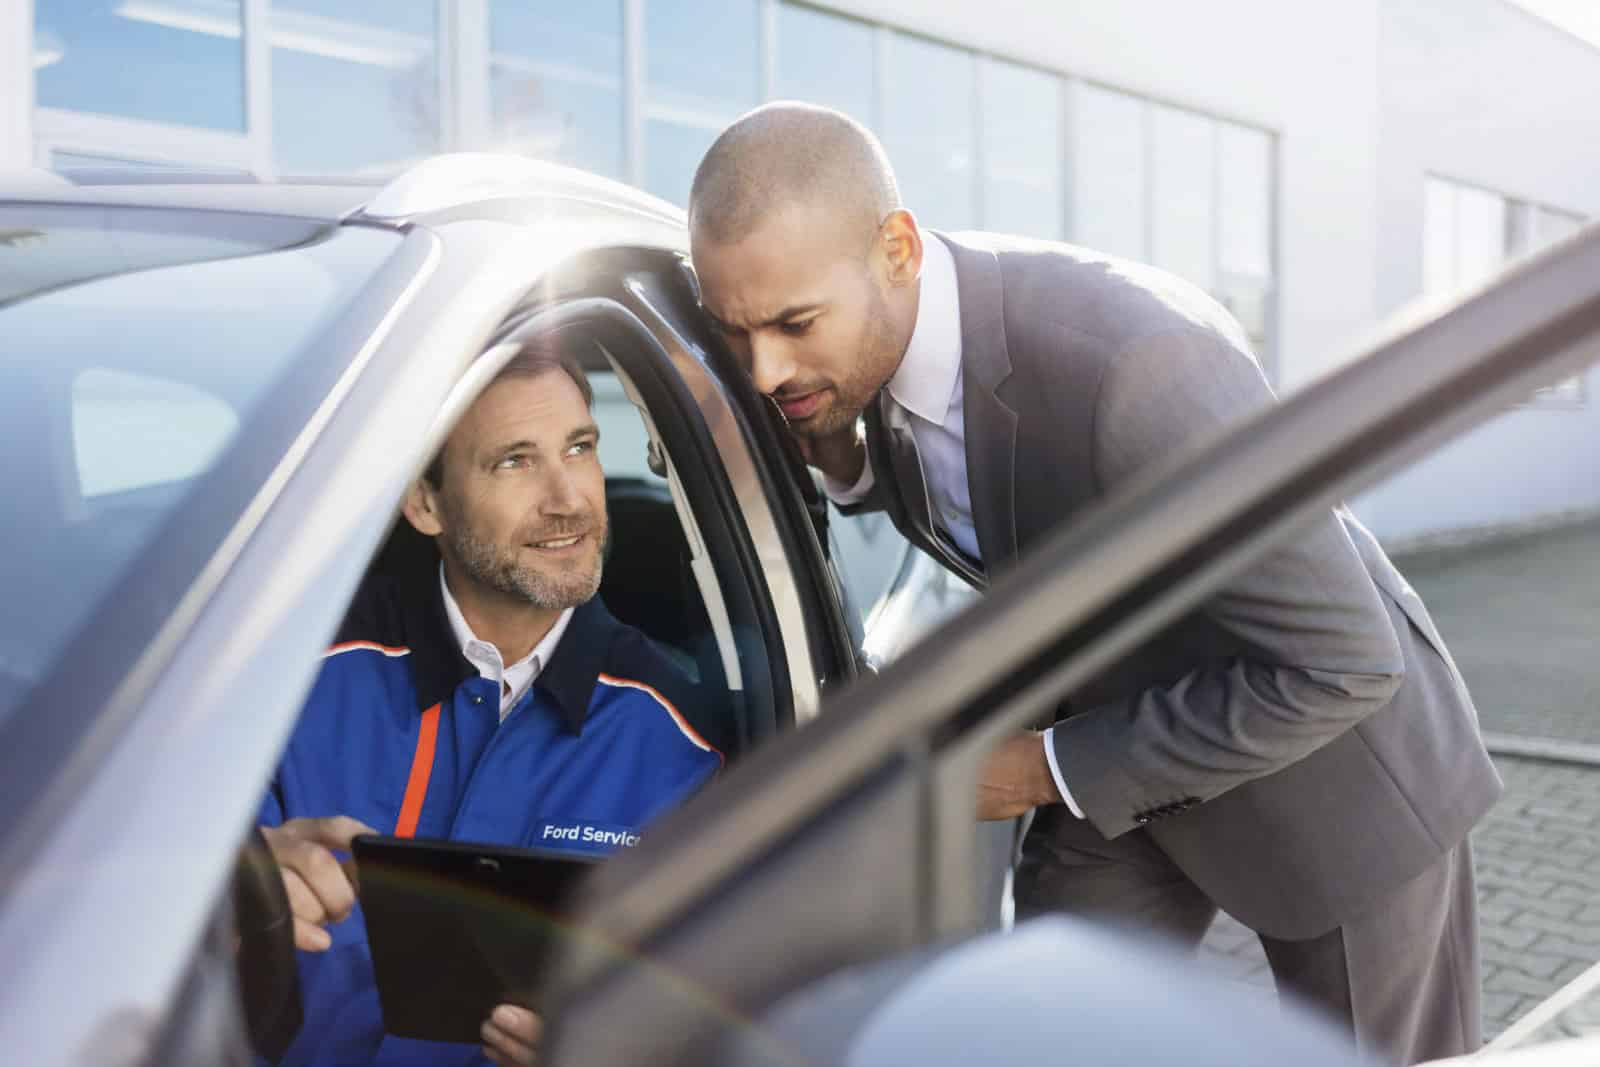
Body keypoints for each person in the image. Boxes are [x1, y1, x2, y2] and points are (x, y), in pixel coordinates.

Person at [686, 102, 1501, 1064]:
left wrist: (1037, 765)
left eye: (793, 324)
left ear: (897, 251)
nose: (766, 366)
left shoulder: (1135, 366)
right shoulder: (887, 341)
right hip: (1116, 752)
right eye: (735, 332)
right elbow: (956, 485)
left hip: (1331, 779)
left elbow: (1345, 661)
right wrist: (824, 443)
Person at [257, 344, 726, 1067]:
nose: (569, 497)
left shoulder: (685, 747)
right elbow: (122, 900)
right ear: (425, 502)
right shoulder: (291, 673)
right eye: (515, 461)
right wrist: (237, 876)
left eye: (581, 447)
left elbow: (717, 1020)